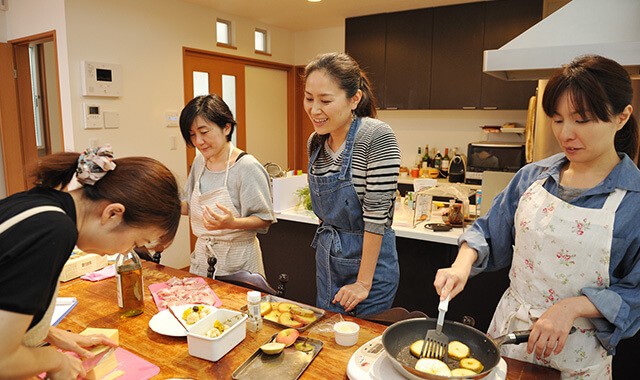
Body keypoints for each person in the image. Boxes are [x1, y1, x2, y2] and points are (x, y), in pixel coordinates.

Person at [434, 55, 640, 379]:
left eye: (581, 120)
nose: (565, 133)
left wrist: (572, 307)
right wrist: (461, 263)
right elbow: (489, 230)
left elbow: (636, 290)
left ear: (622, 116)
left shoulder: (634, 200)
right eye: (557, 119)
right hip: (507, 341)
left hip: (576, 357)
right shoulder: (534, 176)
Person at [0, 145, 182, 380]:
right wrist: (57, 360)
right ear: (113, 214)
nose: (127, 250)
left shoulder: (44, 203)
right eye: (136, 241)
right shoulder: (54, 231)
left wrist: (52, 334)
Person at [304, 52, 401, 315]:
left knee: (359, 348)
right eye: (309, 98)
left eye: (325, 100)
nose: (314, 110)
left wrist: (362, 283)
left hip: (368, 271)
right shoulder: (317, 140)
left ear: (354, 98)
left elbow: (376, 216)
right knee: (327, 340)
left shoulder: (376, 136)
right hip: (327, 262)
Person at [179, 94, 275, 278]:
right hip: (203, 258)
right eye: (192, 135)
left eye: (204, 132)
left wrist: (233, 223)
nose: (198, 141)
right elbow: (188, 206)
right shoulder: (200, 162)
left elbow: (264, 219)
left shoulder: (246, 166)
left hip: (238, 260)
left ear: (226, 127)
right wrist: (159, 203)